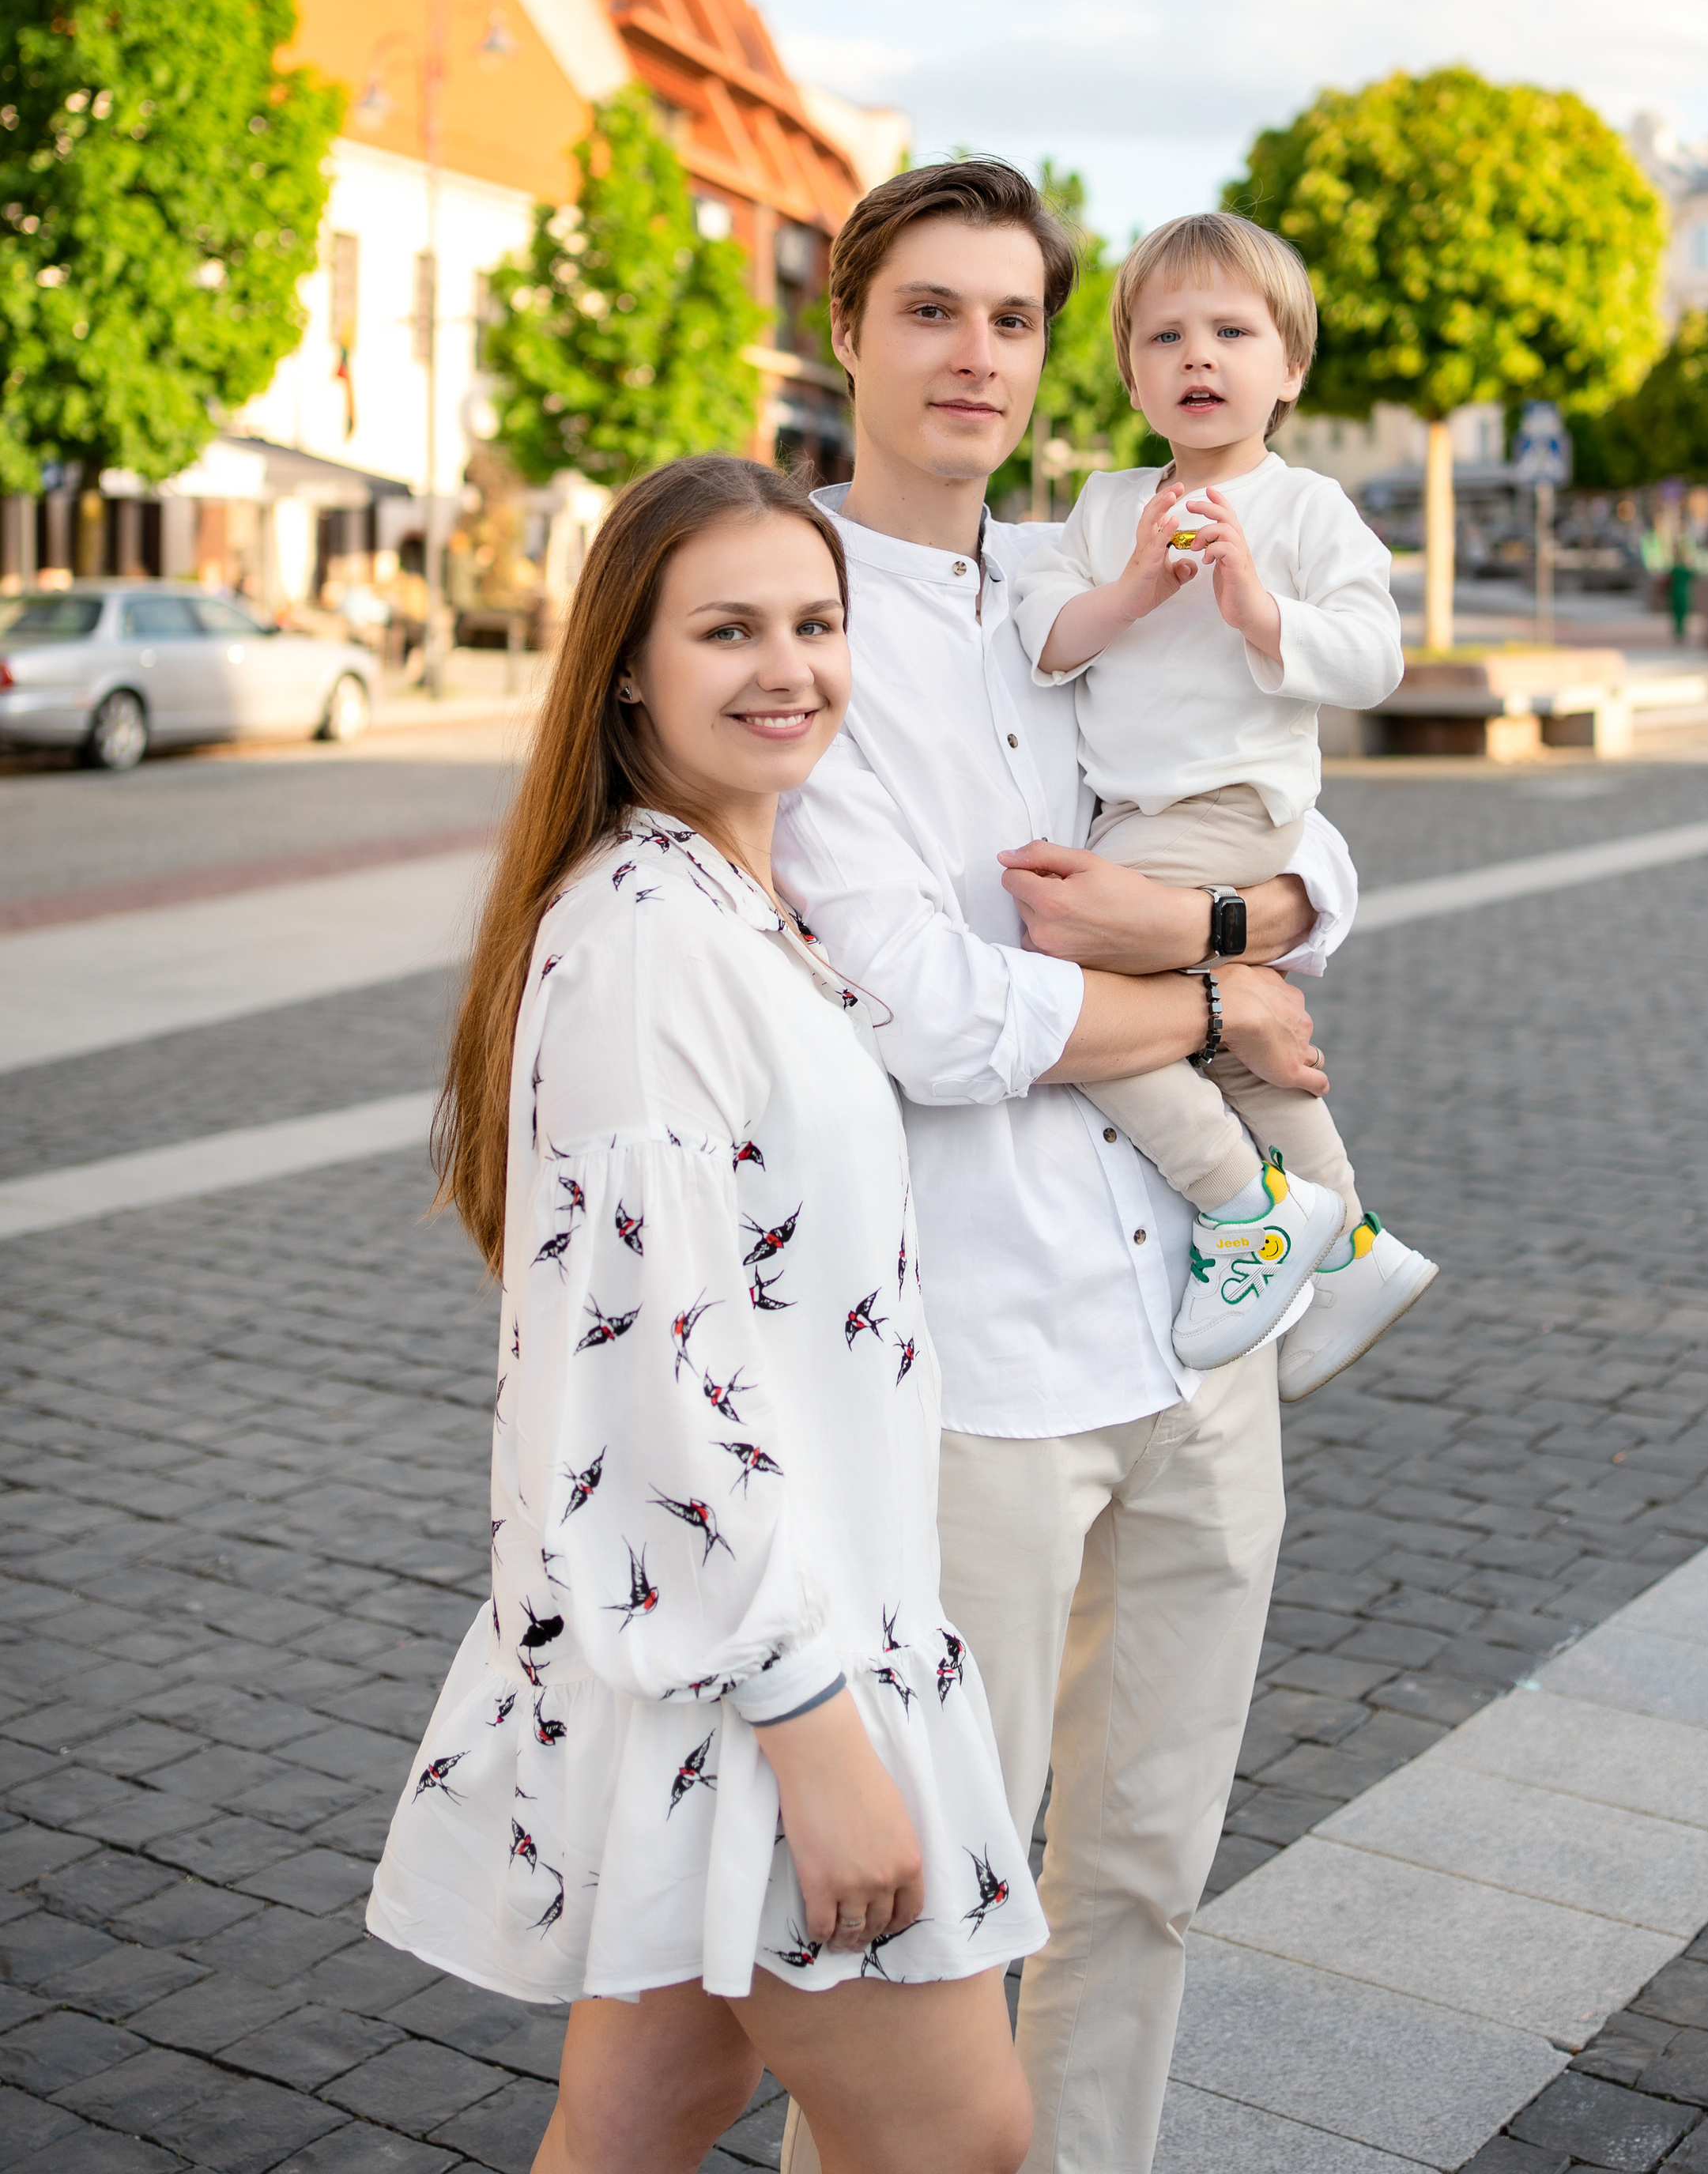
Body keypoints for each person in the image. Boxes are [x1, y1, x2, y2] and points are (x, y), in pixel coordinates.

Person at [771, 160, 1367, 2174]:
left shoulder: (1077, 558)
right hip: (978, 1372)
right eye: (927, 309)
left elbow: (1305, 833)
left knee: (1144, 1880)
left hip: (1193, 1351)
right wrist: (1207, 998)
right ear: (840, 328)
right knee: (939, 1916)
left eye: (1010, 317)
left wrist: (1236, 919)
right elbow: (934, 1014)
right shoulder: (794, 622)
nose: (973, 353)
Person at [366, 456, 1043, 2174]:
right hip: (757, 1674)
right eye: (726, 629)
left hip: (757, 1641)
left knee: (646, 2117)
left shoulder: (743, 906)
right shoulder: (650, 937)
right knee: (960, 2144)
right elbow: (649, 1379)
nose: (788, 667)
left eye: (814, 624)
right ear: (627, 672)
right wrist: (816, 1726)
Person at [1010, 212, 1435, 1375]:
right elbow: (1048, 634)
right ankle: (1349, 1243)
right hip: (1135, 820)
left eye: (1232, 331)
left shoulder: (1307, 512)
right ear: (1135, 375)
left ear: (1289, 368)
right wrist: (1138, 584)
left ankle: (1244, 1201)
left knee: (1077, 1002)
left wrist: (1258, 608)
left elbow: (1371, 658)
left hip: (1230, 810)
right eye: (1166, 337)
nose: (1199, 356)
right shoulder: (1105, 508)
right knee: (1232, 1045)